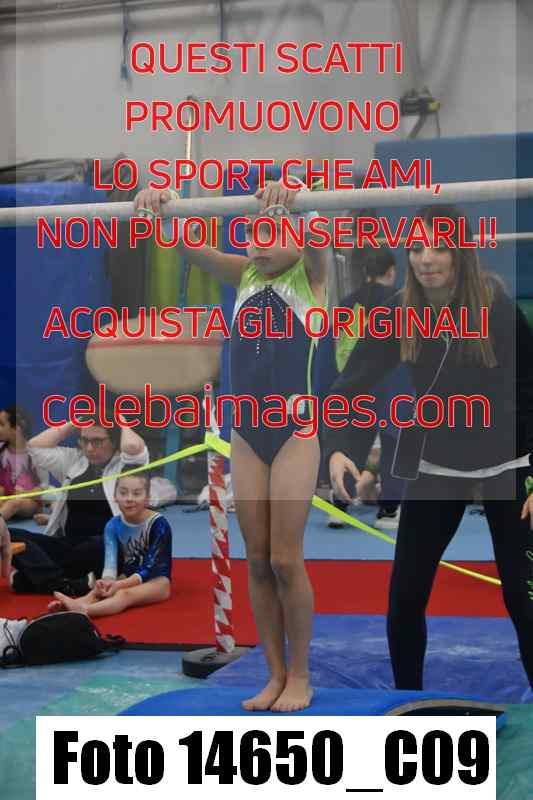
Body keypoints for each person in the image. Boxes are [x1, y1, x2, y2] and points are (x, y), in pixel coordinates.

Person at [134, 180, 329, 712]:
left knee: (286, 559)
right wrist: (159, 204)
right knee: (258, 560)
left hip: (294, 435)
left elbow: (320, 237)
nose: (258, 245)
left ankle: (300, 675)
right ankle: (273, 673)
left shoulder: (311, 277)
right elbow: (186, 245)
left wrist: (296, 193)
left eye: (271, 234)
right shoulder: (243, 274)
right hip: (246, 434)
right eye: (252, 234)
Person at [326, 204, 533, 691]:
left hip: (508, 464)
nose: (425, 258)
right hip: (438, 466)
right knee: (405, 596)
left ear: (460, 253)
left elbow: (530, 390)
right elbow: (351, 385)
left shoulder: (498, 309)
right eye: (417, 248)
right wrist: (341, 447)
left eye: (438, 247)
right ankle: (407, 702)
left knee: (523, 601)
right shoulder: (397, 312)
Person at [9, 413, 148, 595]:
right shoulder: (74, 460)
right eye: (84, 440)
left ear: (114, 441)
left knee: (101, 544)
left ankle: (42, 577)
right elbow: (34, 447)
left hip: (108, 549)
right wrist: (76, 422)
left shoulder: (126, 465)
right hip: (68, 545)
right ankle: (64, 584)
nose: (89, 448)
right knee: (9, 534)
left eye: (97, 441)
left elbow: (133, 446)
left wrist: (119, 421)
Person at [328, 247, 406, 530]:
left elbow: (339, 348)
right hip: (391, 384)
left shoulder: (346, 304)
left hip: (353, 382)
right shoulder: (400, 302)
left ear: (365, 273)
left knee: (352, 443)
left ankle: (339, 504)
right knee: (393, 445)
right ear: (392, 272)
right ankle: (388, 510)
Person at [49, 473, 172, 618]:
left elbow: (150, 567)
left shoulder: (159, 524)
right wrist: (107, 581)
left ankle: (85, 611)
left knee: (124, 594)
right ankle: (69, 607)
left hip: (157, 581)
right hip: (128, 576)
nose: (129, 498)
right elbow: (110, 565)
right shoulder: (113, 525)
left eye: (137, 493)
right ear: (114, 496)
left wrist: (119, 584)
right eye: (123, 493)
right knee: (99, 591)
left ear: (147, 498)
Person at [0, 406, 46, 522]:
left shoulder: (36, 455)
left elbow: (44, 488)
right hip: (6, 499)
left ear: (16, 429)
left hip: (29, 502)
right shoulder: (2, 451)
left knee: (14, 503)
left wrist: (24, 493)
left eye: (1, 424)